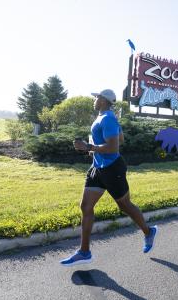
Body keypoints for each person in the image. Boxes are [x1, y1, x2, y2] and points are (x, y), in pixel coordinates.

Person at [60, 89, 158, 266]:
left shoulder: (108, 118)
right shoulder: (105, 117)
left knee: (124, 205)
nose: (94, 100)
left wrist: (88, 147)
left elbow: (114, 147)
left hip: (112, 169)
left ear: (104, 100)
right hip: (97, 168)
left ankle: (148, 231)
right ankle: (84, 252)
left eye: (97, 97)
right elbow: (120, 139)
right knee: (85, 206)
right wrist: (93, 148)